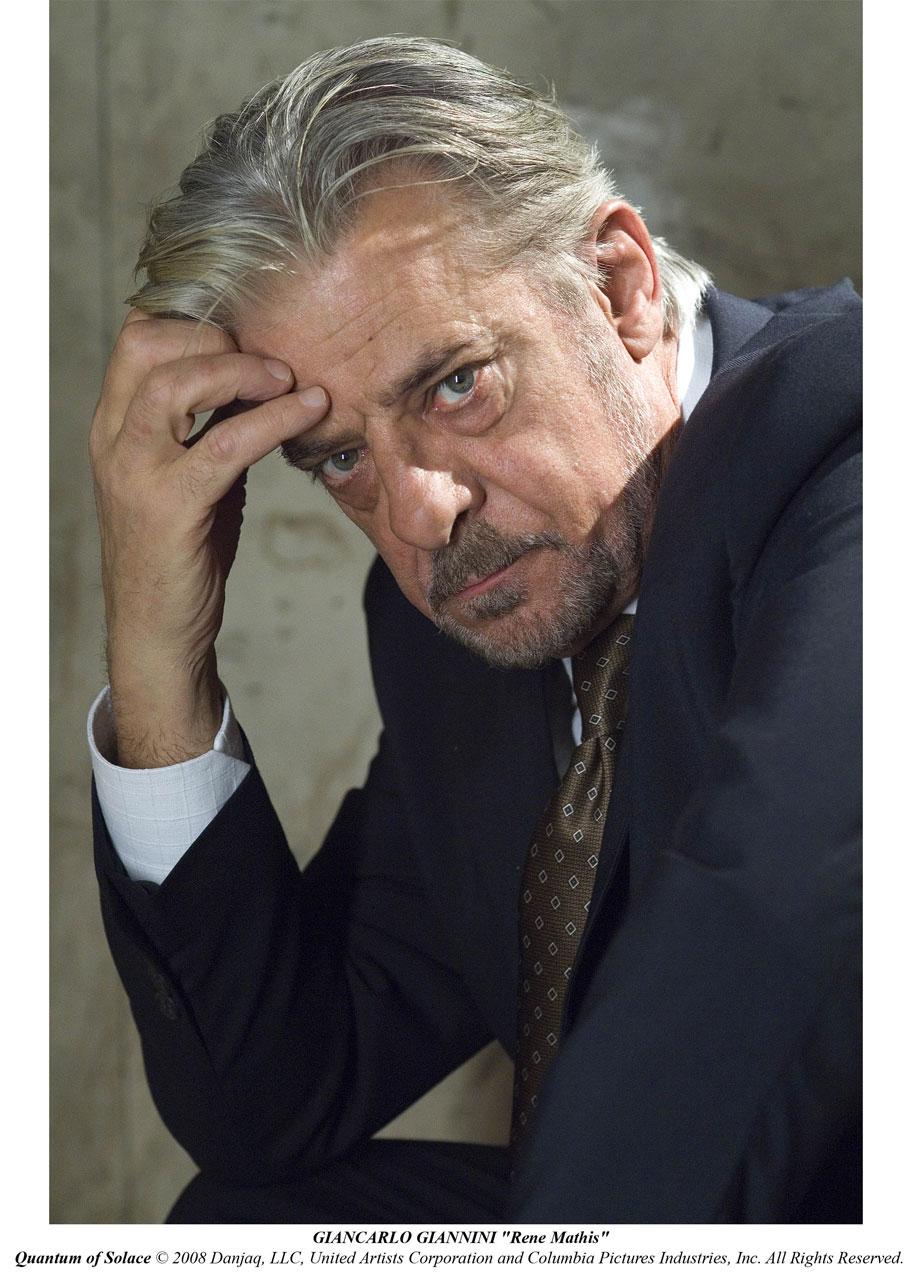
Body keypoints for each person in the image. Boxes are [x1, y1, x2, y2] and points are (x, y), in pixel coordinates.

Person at [87, 36, 861, 1224]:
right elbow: (273, 1103)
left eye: (455, 383)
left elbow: (763, 931)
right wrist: (156, 651)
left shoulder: (853, 438)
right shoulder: (469, 615)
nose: (419, 512)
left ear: (617, 287)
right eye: (337, 457)